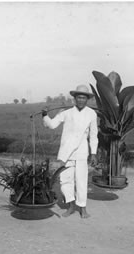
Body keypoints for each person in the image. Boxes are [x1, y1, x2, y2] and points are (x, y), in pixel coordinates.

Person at [42, 84, 98, 218]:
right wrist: (45, 115)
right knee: (65, 180)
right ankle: (71, 205)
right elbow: (52, 125)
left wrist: (94, 153)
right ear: (74, 98)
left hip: (82, 152)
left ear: (87, 99)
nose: (81, 100)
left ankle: (82, 208)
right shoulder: (66, 113)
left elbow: (93, 135)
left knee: (81, 180)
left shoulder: (91, 113)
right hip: (66, 153)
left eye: (83, 97)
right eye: (78, 97)